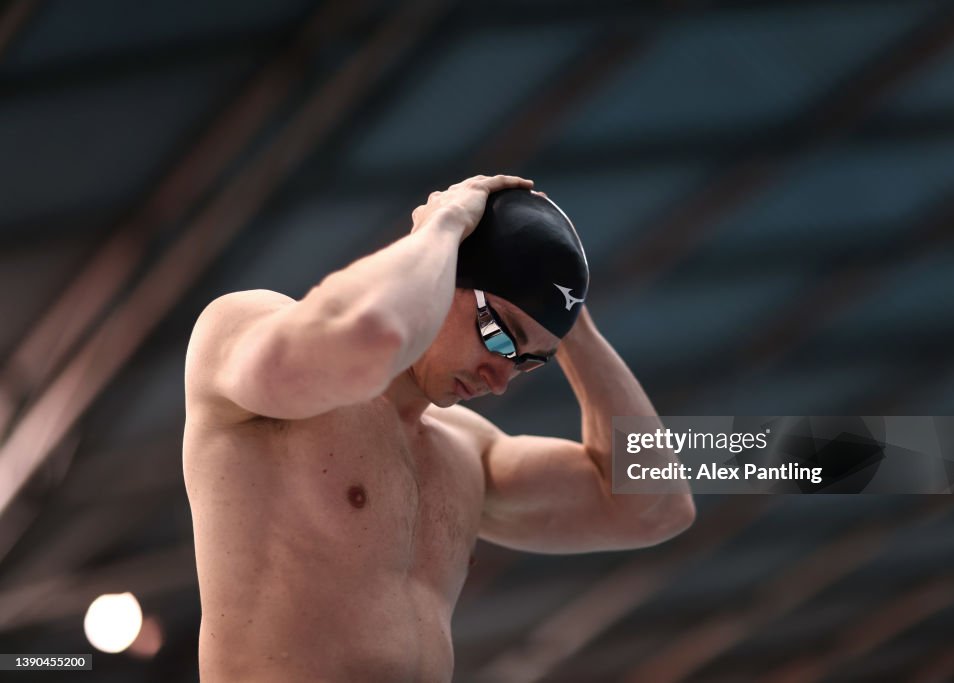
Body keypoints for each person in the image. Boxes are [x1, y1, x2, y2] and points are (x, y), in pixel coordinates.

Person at [183, 174, 695, 682]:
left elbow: (658, 508)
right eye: (498, 336)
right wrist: (443, 225)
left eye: (528, 362)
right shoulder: (241, 327)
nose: (500, 380)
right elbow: (368, 337)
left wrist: (570, 324)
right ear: (443, 267)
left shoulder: (468, 453)